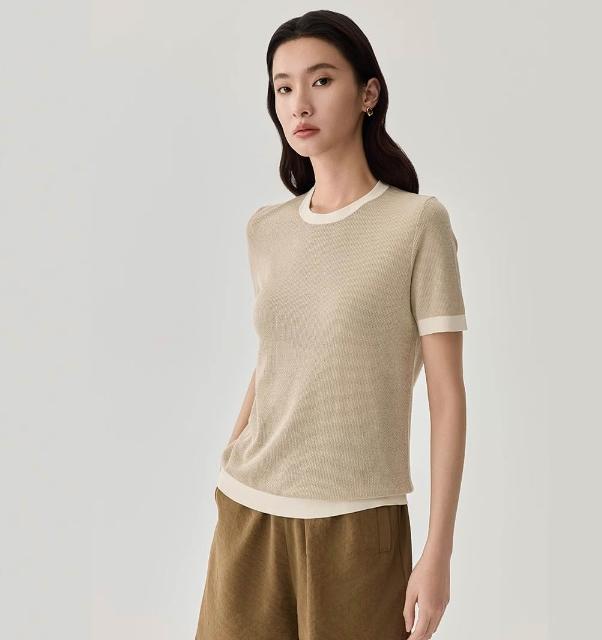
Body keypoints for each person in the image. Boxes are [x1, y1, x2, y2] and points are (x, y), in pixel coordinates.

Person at [196, 9, 468, 640]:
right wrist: (229, 457)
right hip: (248, 512)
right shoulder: (267, 229)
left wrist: (438, 553)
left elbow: (447, 397)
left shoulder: (416, 224)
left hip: (358, 527)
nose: (299, 103)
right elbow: (276, 359)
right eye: (283, 87)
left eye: (320, 80)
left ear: (368, 93)